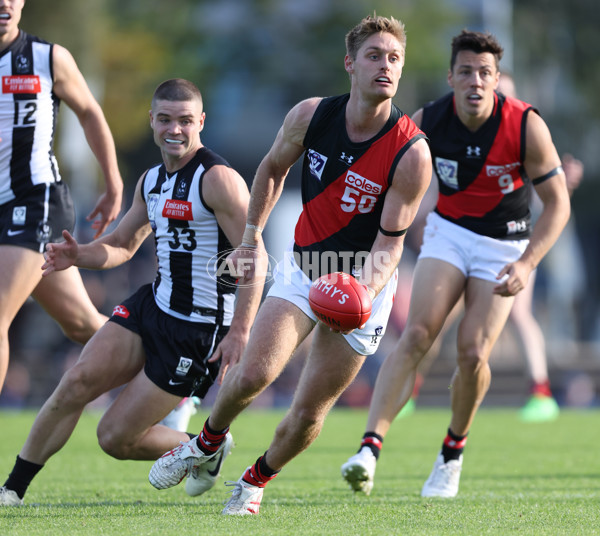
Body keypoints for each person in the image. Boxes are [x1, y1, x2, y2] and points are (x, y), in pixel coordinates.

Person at [148, 15, 432, 516]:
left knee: (307, 413)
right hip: (308, 265)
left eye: (393, 58)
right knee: (255, 372)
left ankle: (254, 480)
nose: (384, 66)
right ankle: (207, 444)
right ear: (350, 64)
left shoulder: (411, 152)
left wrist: (358, 293)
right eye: (373, 56)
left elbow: (391, 246)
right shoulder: (311, 115)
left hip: (368, 281)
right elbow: (272, 168)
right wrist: (253, 238)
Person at [0, 78, 264, 506]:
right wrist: (78, 254)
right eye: (164, 120)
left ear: (201, 121)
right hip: (151, 306)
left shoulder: (219, 180)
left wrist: (241, 329)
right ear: (152, 121)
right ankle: (12, 489)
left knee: (114, 438)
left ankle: (206, 445)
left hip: (197, 331)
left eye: (183, 121)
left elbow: (256, 258)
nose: (173, 130)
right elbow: (122, 245)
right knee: (76, 382)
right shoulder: (152, 180)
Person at [341, 29, 571, 498]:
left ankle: (451, 453)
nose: (475, 81)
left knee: (471, 353)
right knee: (419, 334)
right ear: (451, 77)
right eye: (465, 71)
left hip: (505, 245)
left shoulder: (526, 126)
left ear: (497, 79)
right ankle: (369, 448)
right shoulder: (429, 120)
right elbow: (393, 178)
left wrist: (528, 264)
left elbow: (559, 205)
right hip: (450, 233)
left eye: (485, 73)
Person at [0, 0, 123, 395]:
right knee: (81, 323)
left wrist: (113, 183)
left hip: (35, 201)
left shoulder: (47, 57)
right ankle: (170, 359)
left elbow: (89, 111)